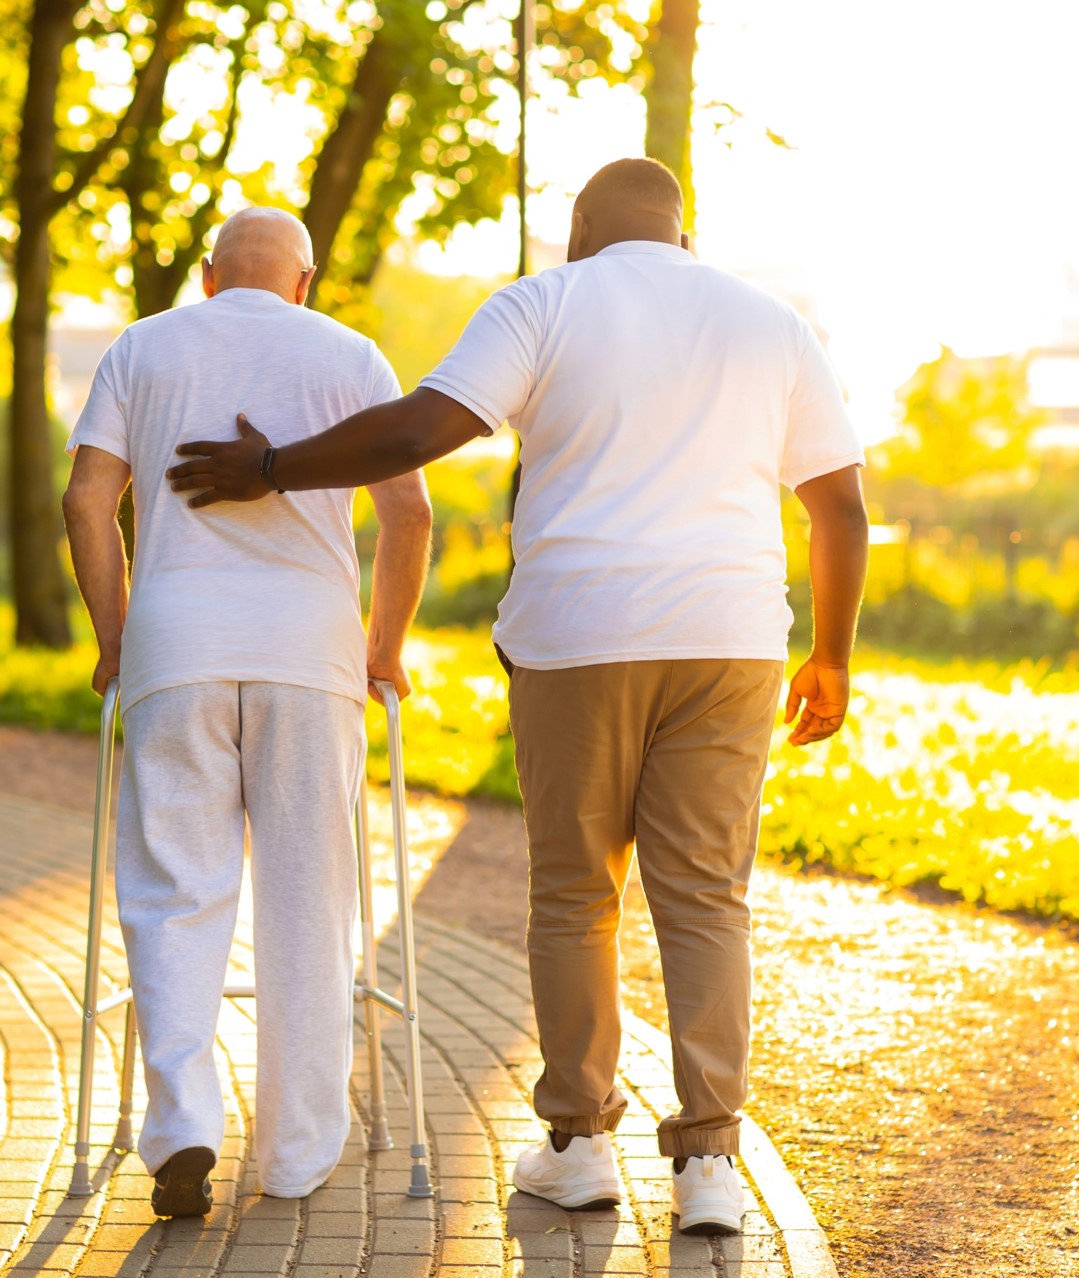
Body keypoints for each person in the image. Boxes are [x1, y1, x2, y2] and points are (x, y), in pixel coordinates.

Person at [163, 158, 868, 1236]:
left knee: (574, 891)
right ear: (683, 230)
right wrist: (832, 656)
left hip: (578, 637)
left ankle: (580, 1146)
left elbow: (413, 434)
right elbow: (839, 508)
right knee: (705, 896)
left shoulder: (544, 301)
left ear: (580, 226)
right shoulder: (770, 324)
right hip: (728, 644)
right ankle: (710, 1164)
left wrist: (270, 468)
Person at [61, 207, 432, 1216]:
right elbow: (410, 512)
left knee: (176, 891)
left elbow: (87, 499)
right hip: (307, 658)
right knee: (310, 903)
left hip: (175, 650)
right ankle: (298, 1153)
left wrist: (114, 632)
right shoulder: (350, 354)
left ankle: (180, 1126)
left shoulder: (143, 346)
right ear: (304, 281)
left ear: (211, 276)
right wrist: (383, 648)